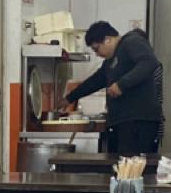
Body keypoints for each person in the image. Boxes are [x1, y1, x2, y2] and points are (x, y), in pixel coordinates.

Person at [61, 21, 163, 155]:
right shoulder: (110, 61)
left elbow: (149, 61)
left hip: (138, 122)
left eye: (97, 49)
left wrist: (122, 84)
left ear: (107, 39)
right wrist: (70, 98)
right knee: (119, 165)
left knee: (133, 166)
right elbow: (95, 81)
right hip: (122, 123)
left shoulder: (131, 42)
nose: (97, 54)